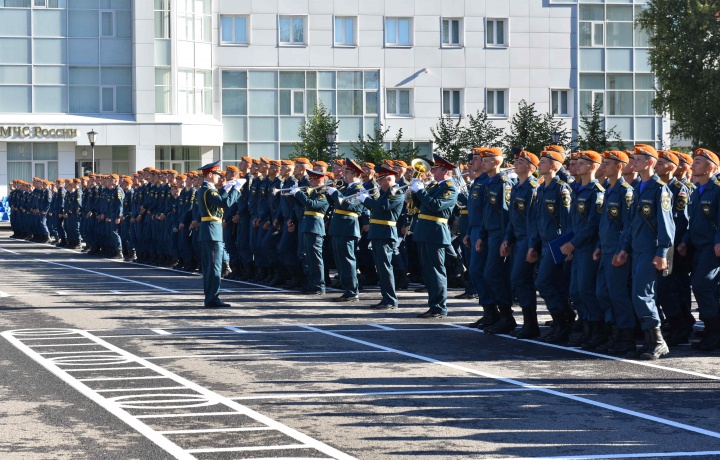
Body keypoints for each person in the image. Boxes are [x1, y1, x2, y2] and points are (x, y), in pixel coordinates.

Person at [613, 144, 675, 360]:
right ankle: (650, 340)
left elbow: (666, 224)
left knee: (643, 294)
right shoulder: (638, 187)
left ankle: (658, 341)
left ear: (649, 162)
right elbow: (631, 224)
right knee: (638, 295)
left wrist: (662, 251)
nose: (633, 162)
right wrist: (624, 249)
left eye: (638, 159)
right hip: (638, 249)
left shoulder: (660, 189)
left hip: (651, 249)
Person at [527, 149, 574, 343]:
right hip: (544, 244)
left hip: (558, 245)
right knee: (552, 284)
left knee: (545, 283)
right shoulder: (541, 189)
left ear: (555, 165)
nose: (540, 164)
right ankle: (563, 321)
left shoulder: (561, 188)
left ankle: (563, 322)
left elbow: (568, 220)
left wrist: (568, 245)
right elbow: (538, 220)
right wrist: (533, 246)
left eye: (544, 162)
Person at [593, 151, 637, 355]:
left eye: (607, 164)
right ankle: (614, 332)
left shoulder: (625, 191)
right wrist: (600, 247)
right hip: (606, 249)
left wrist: (623, 249)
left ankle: (626, 337)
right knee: (603, 293)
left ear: (620, 166)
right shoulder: (608, 190)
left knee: (618, 295)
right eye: (602, 163)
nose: (603, 167)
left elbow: (628, 225)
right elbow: (606, 224)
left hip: (617, 251)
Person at [678, 148, 720, 352]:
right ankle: (712, 329)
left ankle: (714, 332)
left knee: (702, 285)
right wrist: (685, 240)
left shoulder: (717, 189)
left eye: (698, 162)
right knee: (705, 287)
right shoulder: (696, 191)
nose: (693, 165)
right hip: (698, 247)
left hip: (712, 247)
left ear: (710, 167)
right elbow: (692, 222)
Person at [410, 154, 458, 318]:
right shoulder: (434, 186)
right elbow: (420, 206)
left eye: (435, 168)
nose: (431, 171)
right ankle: (433, 305)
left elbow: (436, 206)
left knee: (436, 271)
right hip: (424, 230)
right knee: (428, 272)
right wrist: (415, 192)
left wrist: (421, 191)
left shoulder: (450, 188)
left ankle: (439, 307)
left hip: (435, 231)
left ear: (444, 170)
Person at [476, 147, 518, 334]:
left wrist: (505, 240)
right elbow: (487, 213)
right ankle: (500, 315)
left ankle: (507, 316)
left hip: (500, 235)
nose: (482, 163)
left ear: (497, 162)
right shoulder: (490, 183)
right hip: (490, 234)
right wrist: (482, 236)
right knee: (488, 274)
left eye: (486, 160)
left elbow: (506, 214)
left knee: (493, 275)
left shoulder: (503, 183)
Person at [501, 150, 540, 338]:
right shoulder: (517, 187)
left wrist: (532, 245)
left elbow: (533, 220)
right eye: (516, 161)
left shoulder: (532, 187)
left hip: (527, 239)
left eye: (521, 161)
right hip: (518, 238)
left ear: (531, 167)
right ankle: (528, 323)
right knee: (518, 280)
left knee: (520, 279)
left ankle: (531, 323)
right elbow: (513, 217)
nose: (515, 163)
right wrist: (507, 238)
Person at [356, 165, 405, 309]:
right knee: (381, 267)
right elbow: (377, 206)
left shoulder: (395, 192)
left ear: (389, 178)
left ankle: (391, 299)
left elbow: (383, 207)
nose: (378, 181)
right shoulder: (384, 192)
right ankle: (386, 297)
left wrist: (366, 199)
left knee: (385, 267)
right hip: (378, 232)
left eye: (380, 178)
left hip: (386, 233)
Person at [197, 161, 244, 307]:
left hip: (208, 230)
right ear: (210, 174)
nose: (219, 177)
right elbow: (225, 203)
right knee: (214, 267)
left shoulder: (206, 189)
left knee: (210, 267)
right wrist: (236, 189)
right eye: (217, 174)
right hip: (212, 231)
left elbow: (219, 200)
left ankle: (210, 297)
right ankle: (212, 298)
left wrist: (226, 188)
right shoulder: (208, 190)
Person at [325, 159, 365, 302]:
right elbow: (336, 204)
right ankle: (346, 288)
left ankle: (352, 290)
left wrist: (335, 194)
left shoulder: (359, 188)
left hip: (348, 227)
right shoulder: (346, 188)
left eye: (347, 172)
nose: (344, 175)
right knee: (340, 261)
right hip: (338, 227)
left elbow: (348, 205)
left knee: (348, 260)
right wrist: (329, 194)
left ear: (354, 173)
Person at [292, 169, 330, 295]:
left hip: (315, 227)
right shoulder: (313, 192)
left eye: (312, 179)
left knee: (316, 258)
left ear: (319, 180)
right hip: (308, 226)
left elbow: (311, 204)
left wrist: (299, 194)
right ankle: (312, 283)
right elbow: (303, 204)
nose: (310, 182)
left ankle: (319, 285)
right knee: (309, 258)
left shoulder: (322, 193)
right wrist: (295, 195)